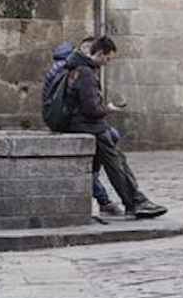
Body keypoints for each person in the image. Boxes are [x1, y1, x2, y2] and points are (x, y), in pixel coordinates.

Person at [61, 36, 168, 219]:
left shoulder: (79, 68)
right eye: (107, 58)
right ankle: (135, 203)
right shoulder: (85, 72)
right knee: (116, 165)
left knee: (119, 161)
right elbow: (90, 109)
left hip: (91, 126)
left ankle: (137, 200)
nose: (107, 63)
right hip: (90, 127)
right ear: (100, 53)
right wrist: (108, 108)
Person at [44, 37, 124, 215]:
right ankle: (104, 201)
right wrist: (107, 109)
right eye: (88, 50)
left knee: (106, 142)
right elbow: (88, 108)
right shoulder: (77, 70)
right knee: (101, 150)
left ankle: (105, 201)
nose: (89, 55)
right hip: (72, 123)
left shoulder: (63, 68)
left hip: (65, 121)